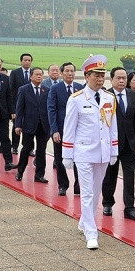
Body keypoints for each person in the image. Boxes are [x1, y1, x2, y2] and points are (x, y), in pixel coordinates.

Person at [61, 55, 118, 250]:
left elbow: (113, 127)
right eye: (96, 75)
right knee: (86, 193)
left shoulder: (109, 98)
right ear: (86, 76)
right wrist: (67, 154)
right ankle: (91, 233)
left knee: (96, 191)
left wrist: (113, 150)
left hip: (102, 152)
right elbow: (69, 127)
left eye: (102, 76)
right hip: (83, 151)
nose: (100, 79)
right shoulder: (76, 99)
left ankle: (85, 221)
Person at [101, 67, 135, 221]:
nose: (121, 81)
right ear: (111, 79)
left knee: (130, 176)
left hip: (129, 144)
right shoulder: (105, 96)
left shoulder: (133, 95)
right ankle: (107, 203)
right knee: (110, 176)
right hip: (111, 144)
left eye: (124, 78)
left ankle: (130, 208)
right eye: (118, 78)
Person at [47, 62, 84, 196]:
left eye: (72, 71)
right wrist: (54, 130)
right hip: (61, 129)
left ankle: (78, 185)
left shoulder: (80, 88)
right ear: (62, 73)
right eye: (67, 71)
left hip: (78, 130)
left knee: (78, 158)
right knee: (60, 157)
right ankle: (63, 185)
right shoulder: (55, 88)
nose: (70, 74)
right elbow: (51, 110)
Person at [14, 67, 50, 183]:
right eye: (37, 74)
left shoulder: (46, 90)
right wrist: (18, 125)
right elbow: (19, 109)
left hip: (43, 126)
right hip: (29, 125)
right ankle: (20, 171)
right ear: (31, 76)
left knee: (41, 150)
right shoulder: (24, 90)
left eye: (41, 74)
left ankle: (39, 174)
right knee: (26, 148)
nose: (39, 76)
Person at [9, 53, 33, 155]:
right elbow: (10, 90)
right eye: (25, 60)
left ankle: (29, 148)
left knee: (30, 128)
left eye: (29, 60)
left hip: (31, 106)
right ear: (21, 61)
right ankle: (14, 147)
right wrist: (12, 109)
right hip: (17, 105)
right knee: (17, 126)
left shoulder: (34, 72)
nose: (27, 62)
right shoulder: (15, 73)